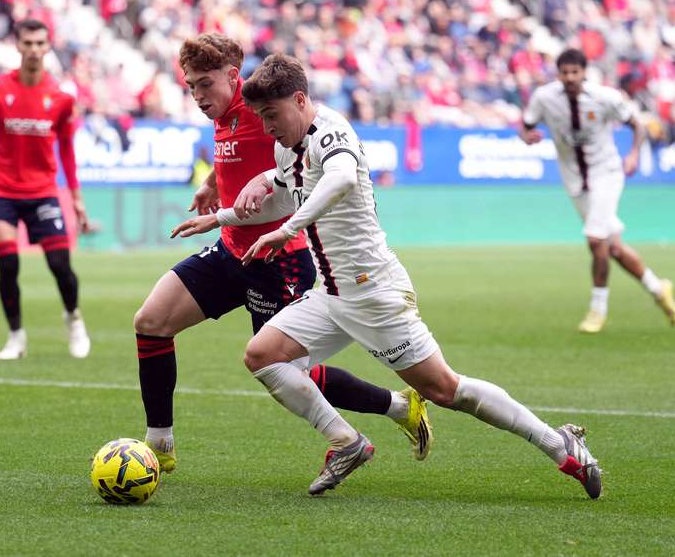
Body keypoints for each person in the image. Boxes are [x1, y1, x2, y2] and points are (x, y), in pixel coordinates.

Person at [173, 53, 603, 499]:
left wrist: (288, 230)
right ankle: (347, 442)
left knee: (445, 390)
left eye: (272, 115)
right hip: (334, 293)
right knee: (263, 355)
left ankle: (560, 443)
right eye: (260, 117)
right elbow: (286, 193)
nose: (267, 128)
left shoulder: (331, 134)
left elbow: (339, 179)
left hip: (374, 292)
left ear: (299, 100)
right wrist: (222, 217)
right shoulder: (288, 146)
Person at [137, 34, 432, 474]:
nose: (197, 96)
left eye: (204, 85)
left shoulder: (263, 111)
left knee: (288, 366)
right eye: (190, 85)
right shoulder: (221, 112)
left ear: (233, 77)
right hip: (232, 248)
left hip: (280, 259)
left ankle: (397, 407)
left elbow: (291, 164)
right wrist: (212, 186)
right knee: (151, 323)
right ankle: (159, 445)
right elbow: (242, 164)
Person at [0, 19, 91, 360]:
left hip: (42, 191)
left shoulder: (60, 98)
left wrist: (76, 199)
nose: (34, 50)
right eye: (27, 43)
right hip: (0, 189)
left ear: (48, 47)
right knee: (8, 265)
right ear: (17, 46)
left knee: (60, 264)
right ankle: (16, 337)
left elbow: (67, 153)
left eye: (40, 43)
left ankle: (73, 318)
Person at [519, 49, 675, 333]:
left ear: (584, 72)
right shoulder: (544, 98)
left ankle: (598, 309)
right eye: (564, 73)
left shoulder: (605, 97)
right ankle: (658, 289)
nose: (570, 78)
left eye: (575, 72)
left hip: (606, 173)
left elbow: (636, 124)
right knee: (613, 248)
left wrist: (632, 154)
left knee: (596, 240)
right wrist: (528, 137)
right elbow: (526, 126)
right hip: (574, 181)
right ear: (558, 74)